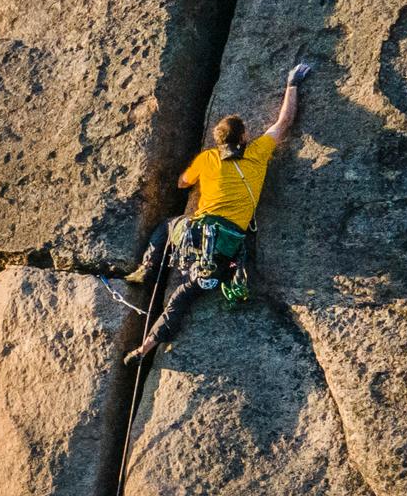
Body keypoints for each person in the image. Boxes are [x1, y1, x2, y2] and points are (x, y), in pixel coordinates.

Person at [123, 61, 311, 364]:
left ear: (218, 140)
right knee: (182, 297)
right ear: (244, 137)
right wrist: (292, 83)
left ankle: (147, 269)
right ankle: (145, 348)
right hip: (224, 244)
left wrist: (199, 174)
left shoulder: (208, 158)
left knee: (167, 226)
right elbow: (284, 122)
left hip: (194, 231)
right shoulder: (257, 153)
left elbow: (183, 183)